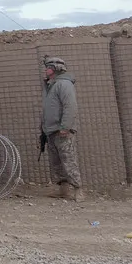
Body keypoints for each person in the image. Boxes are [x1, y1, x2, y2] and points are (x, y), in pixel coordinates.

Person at [40, 55, 84, 202]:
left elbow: (70, 107)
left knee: (69, 160)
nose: (45, 70)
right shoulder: (51, 85)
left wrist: (65, 126)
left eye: (48, 67)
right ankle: (63, 190)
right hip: (51, 130)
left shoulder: (64, 84)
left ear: (55, 68)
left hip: (62, 130)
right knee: (56, 162)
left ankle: (78, 189)